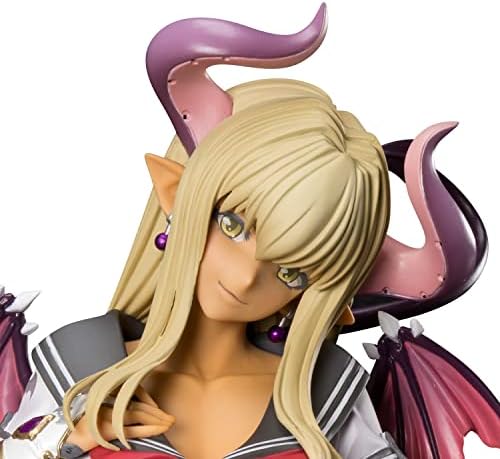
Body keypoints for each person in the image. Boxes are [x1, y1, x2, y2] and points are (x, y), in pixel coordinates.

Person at [0, 4, 497, 459]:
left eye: (292, 271)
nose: (243, 278)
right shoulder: (79, 365)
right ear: (176, 193)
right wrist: (64, 443)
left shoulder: (322, 396)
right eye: (233, 225)